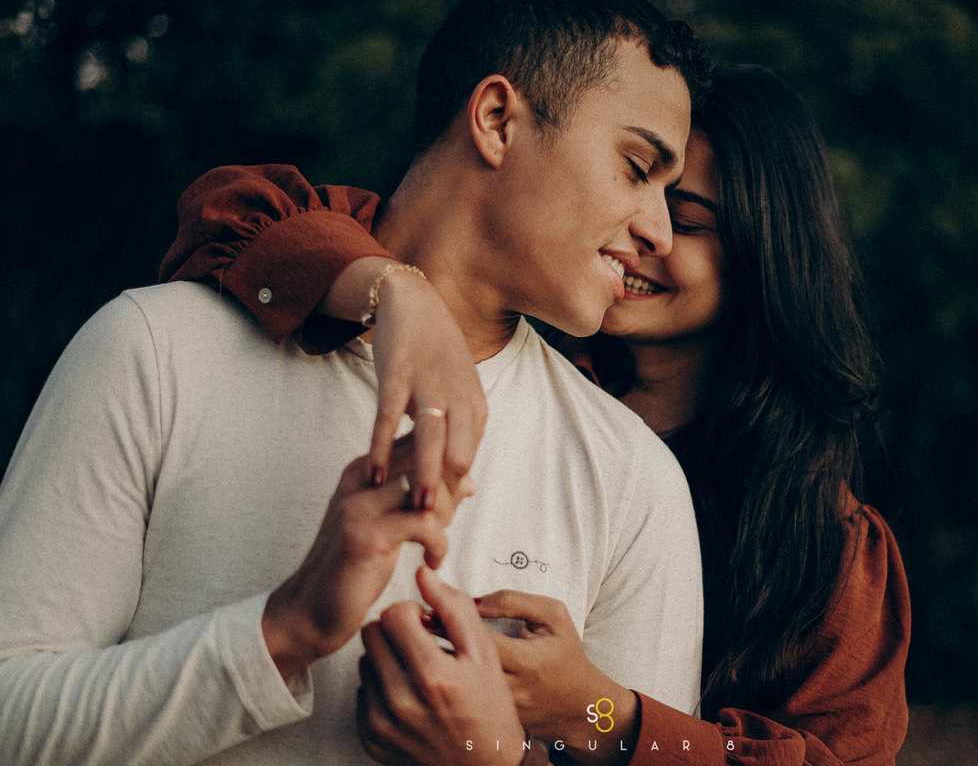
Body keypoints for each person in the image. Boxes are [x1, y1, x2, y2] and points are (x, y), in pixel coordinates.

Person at [0, 0, 713, 764]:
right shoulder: (155, 350)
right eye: (637, 166)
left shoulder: (632, 481)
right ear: (497, 120)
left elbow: (611, 742)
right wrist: (285, 631)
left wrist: (486, 755)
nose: (660, 231)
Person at [167, 65, 910, 765]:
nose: (642, 231)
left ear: (767, 252)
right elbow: (240, 212)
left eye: (682, 218)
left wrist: (598, 715)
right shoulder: (517, 377)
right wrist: (399, 294)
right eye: (629, 188)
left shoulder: (823, 543)